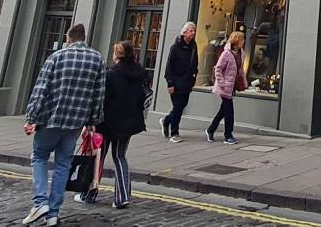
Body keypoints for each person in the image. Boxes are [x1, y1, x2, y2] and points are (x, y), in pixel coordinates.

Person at [21, 23, 105, 227]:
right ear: (84, 38)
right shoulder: (97, 59)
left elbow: (41, 89)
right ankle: (53, 213)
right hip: (75, 122)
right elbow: (98, 94)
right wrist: (93, 120)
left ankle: (40, 202)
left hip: (51, 118)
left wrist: (31, 117)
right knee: (63, 164)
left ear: (69, 38)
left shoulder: (56, 57)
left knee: (39, 156)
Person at [76, 41, 148, 208]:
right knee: (120, 157)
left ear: (117, 55)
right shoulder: (141, 73)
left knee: (98, 158)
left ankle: (89, 194)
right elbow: (145, 97)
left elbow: (100, 99)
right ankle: (122, 197)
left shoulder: (110, 73)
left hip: (107, 123)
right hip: (129, 123)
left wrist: (91, 121)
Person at [160, 22, 198, 142]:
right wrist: (170, 83)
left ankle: (166, 121)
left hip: (187, 82)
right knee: (178, 106)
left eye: (194, 30)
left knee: (182, 106)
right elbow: (169, 66)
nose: (193, 33)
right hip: (176, 82)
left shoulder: (193, 46)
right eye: (191, 30)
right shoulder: (175, 47)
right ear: (184, 32)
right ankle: (174, 133)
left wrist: (194, 75)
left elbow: (195, 61)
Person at [207, 30, 244, 144]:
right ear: (237, 41)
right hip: (224, 87)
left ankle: (210, 130)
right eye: (242, 40)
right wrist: (222, 83)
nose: (243, 42)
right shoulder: (226, 53)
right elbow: (218, 68)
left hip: (232, 86)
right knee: (229, 112)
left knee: (223, 111)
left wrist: (243, 82)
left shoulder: (241, 53)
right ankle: (228, 135)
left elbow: (240, 69)